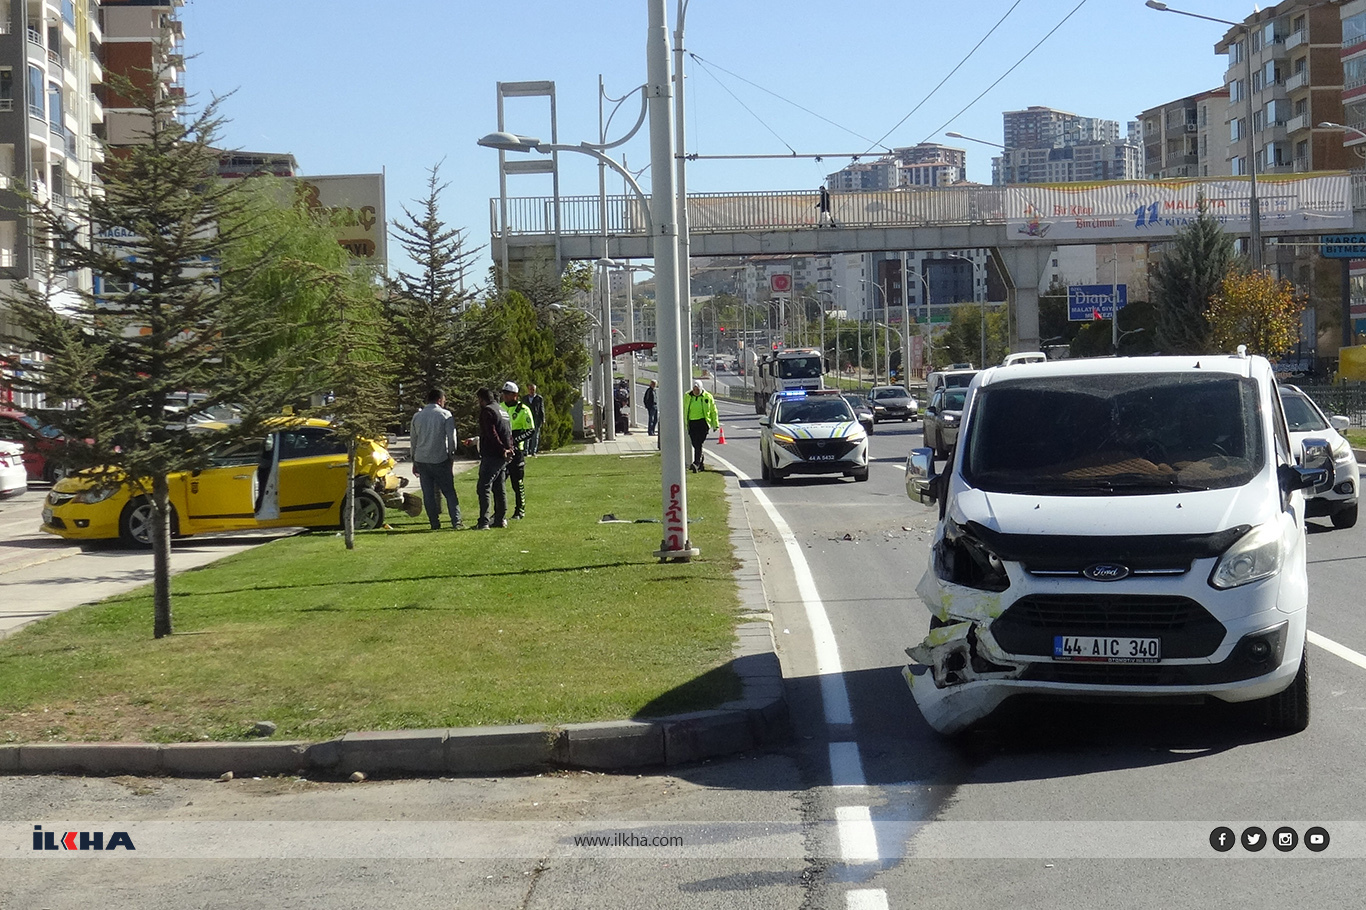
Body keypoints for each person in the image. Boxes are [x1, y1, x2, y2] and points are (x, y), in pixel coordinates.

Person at [409, 388, 462, 530]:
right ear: (439, 400)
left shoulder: (417, 416)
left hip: (422, 459)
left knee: (428, 494)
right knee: (449, 492)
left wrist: (414, 460)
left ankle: (434, 523)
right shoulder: (445, 415)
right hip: (439, 458)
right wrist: (451, 454)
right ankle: (456, 521)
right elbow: (452, 438)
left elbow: (413, 440)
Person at [465, 387, 514, 529]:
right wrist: (510, 448)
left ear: (481, 399)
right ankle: (500, 518)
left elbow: (491, 433)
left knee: (484, 487)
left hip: (493, 455)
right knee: (499, 487)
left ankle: (484, 521)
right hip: (503, 456)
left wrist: (502, 449)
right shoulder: (502, 410)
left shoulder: (487, 411)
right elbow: (508, 432)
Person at [501, 381, 535, 520]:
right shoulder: (500, 408)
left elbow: (531, 430)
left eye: (507, 394)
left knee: (517, 482)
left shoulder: (523, 409)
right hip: (502, 451)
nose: (504, 396)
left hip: (516, 451)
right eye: (503, 393)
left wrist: (516, 440)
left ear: (515, 395)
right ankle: (500, 510)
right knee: (500, 481)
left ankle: (520, 510)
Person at [684, 379, 719, 472]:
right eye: (694, 389)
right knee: (695, 443)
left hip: (703, 423)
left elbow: (713, 411)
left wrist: (715, 424)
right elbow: (683, 408)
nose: (696, 391)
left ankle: (696, 463)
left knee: (699, 443)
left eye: (697, 389)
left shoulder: (707, 397)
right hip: (692, 423)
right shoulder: (688, 396)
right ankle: (700, 461)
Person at [523, 383, 545, 456]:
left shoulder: (539, 398)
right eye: (530, 389)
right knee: (526, 436)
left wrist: (542, 419)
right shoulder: (525, 398)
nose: (531, 391)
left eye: (533, 389)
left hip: (536, 419)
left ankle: (533, 451)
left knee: (535, 436)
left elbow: (541, 409)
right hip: (527, 419)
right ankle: (525, 451)